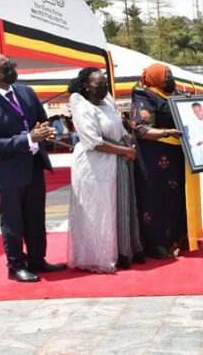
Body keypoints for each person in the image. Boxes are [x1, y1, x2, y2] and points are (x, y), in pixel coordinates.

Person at [0, 53, 65, 282]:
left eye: (11, 63)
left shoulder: (26, 92)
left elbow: (41, 119)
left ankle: (37, 259)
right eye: (6, 66)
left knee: (35, 217)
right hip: (7, 173)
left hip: (33, 165)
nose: (13, 67)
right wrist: (28, 139)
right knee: (13, 222)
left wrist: (45, 129)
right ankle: (16, 266)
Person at [67, 67, 144, 273]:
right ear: (86, 85)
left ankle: (123, 250)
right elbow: (93, 142)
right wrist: (125, 150)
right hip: (95, 165)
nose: (103, 87)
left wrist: (128, 146)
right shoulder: (82, 106)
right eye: (98, 84)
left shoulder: (107, 102)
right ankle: (99, 255)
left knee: (118, 207)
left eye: (104, 83)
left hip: (118, 160)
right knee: (100, 210)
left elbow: (118, 128)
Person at [131, 63, 203, 259]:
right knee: (155, 199)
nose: (171, 80)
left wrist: (187, 103)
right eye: (167, 76)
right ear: (155, 78)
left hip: (178, 155)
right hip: (154, 157)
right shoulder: (144, 95)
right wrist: (166, 132)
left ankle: (178, 237)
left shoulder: (173, 93)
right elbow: (140, 129)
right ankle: (156, 242)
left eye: (171, 75)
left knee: (177, 196)